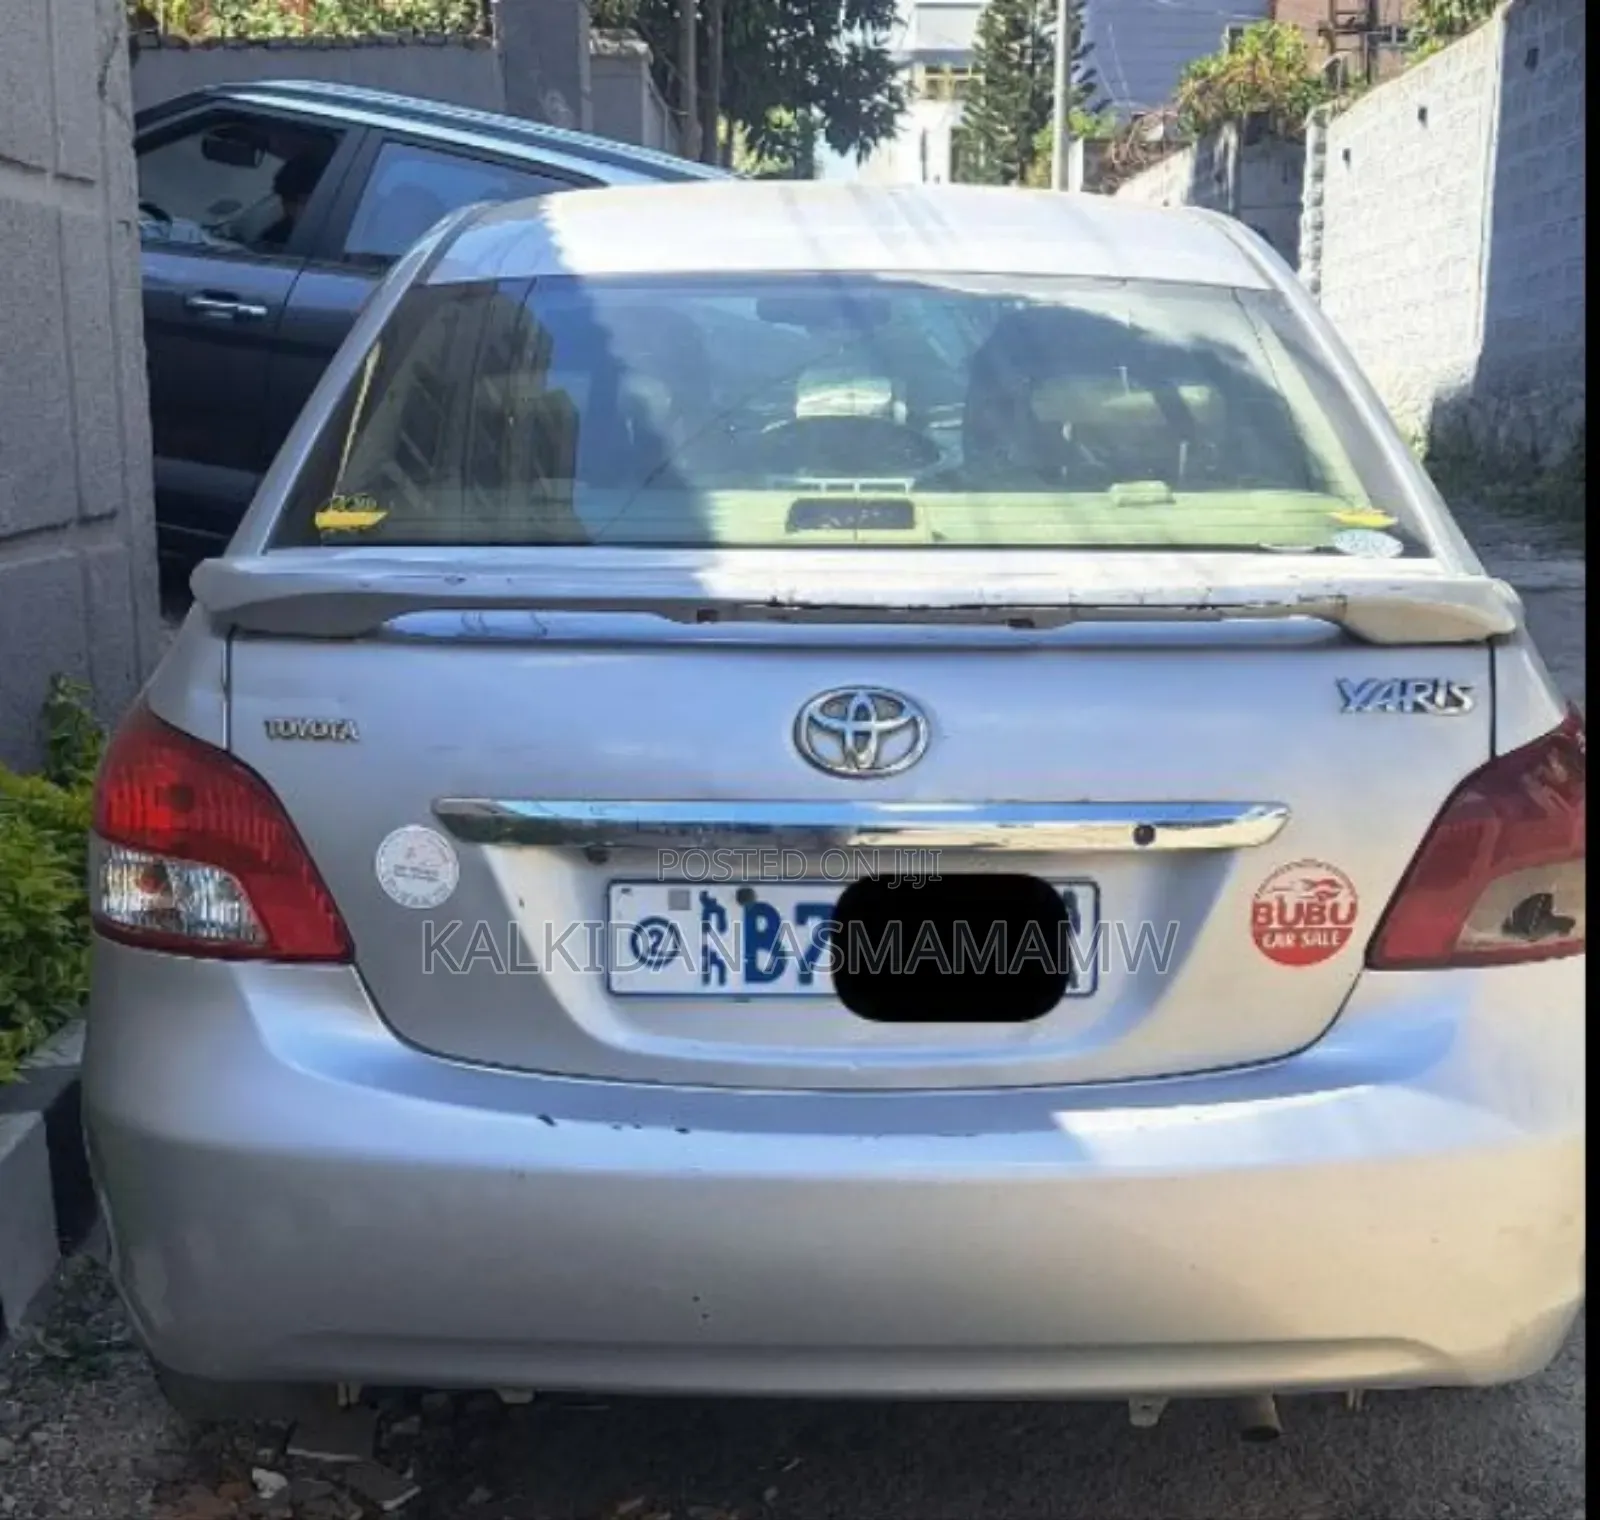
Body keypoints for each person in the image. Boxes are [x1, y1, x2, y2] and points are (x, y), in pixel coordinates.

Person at [257, 152, 325, 250]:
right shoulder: (273, 238)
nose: (291, 211)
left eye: (303, 202)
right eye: (286, 201)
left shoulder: (340, 238)